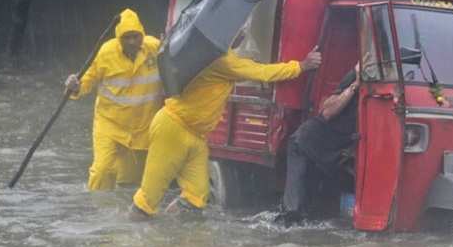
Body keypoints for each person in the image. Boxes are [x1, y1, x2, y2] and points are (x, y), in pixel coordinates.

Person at [130, 43, 322, 218]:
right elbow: (260, 72)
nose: (242, 34)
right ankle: (134, 233)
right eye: (238, 30)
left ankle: (177, 241)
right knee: (149, 197)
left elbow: (241, 66)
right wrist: (301, 66)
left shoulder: (212, 54)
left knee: (196, 198)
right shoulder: (220, 61)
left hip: (195, 135)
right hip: (173, 128)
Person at [65, 8, 163, 190]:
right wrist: (75, 87)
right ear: (119, 39)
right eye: (127, 37)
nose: (133, 41)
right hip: (109, 124)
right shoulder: (106, 53)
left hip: (141, 128)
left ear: (142, 34)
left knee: (129, 183)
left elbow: (174, 69)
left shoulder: (155, 48)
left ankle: (120, 216)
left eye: (136, 36)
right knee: (102, 171)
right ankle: (97, 212)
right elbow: (88, 79)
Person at [276, 63, 360, 226]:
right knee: (300, 157)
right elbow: (327, 110)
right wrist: (354, 86)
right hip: (315, 135)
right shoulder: (354, 76)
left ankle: (301, 214)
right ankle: (290, 216)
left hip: (340, 141)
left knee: (315, 178)